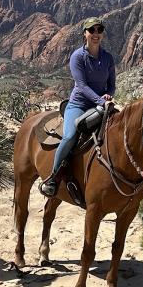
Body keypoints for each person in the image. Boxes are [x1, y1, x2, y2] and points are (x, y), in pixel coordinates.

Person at [40, 16, 116, 196]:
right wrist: (101, 101)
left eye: (99, 30)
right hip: (78, 105)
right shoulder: (77, 56)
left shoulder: (108, 58)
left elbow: (112, 84)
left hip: (100, 104)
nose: (96, 34)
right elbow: (81, 85)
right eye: (92, 30)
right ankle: (52, 177)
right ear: (85, 34)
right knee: (70, 136)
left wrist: (108, 95)